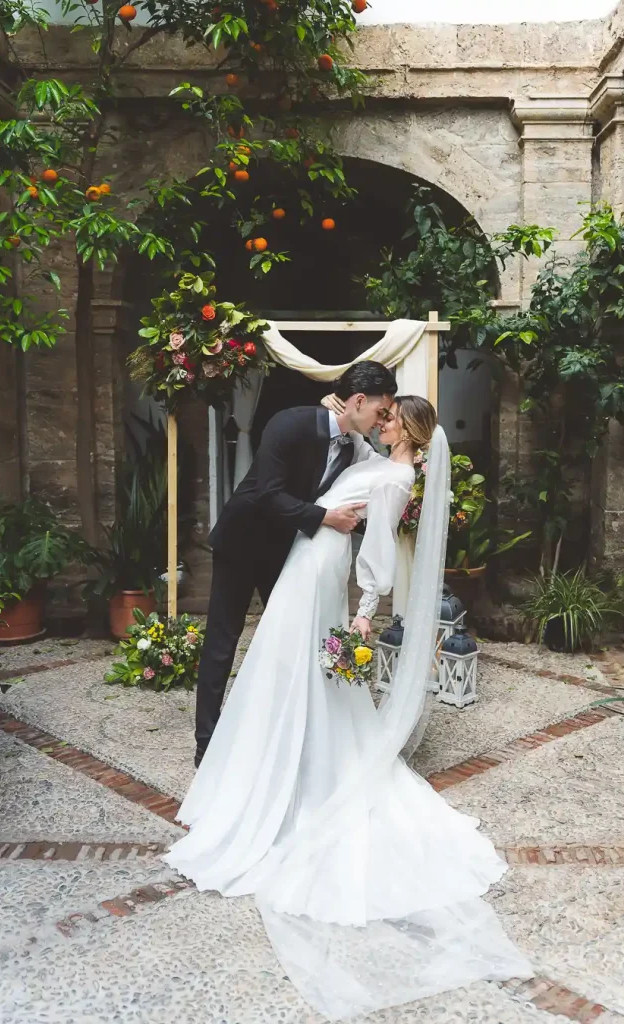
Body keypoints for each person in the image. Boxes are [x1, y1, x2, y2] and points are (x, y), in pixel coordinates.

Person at [166, 394, 532, 1021]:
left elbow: (379, 549)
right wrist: (338, 409)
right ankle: (265, 757)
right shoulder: (377, 454)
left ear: (407, 432)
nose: (380, 422)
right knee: (277, 667)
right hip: (306, 562)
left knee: (298, 667)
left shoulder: (395, 477)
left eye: (390, 418)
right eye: (377, 413)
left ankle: (298, 763)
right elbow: (350, 439)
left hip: (325, 572)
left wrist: (364, 614)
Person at [194, 360, 398, 768]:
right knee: (222, 641)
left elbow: (376, 483)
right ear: (359, 400)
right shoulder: (289, 424)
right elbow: (268, 494)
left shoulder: (357, 449)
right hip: (243, 542)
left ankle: (288, 732)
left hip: (290, 552)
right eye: (380, 412)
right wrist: (326, 519)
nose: (382, 421)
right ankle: (207, 744)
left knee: (292, 639)